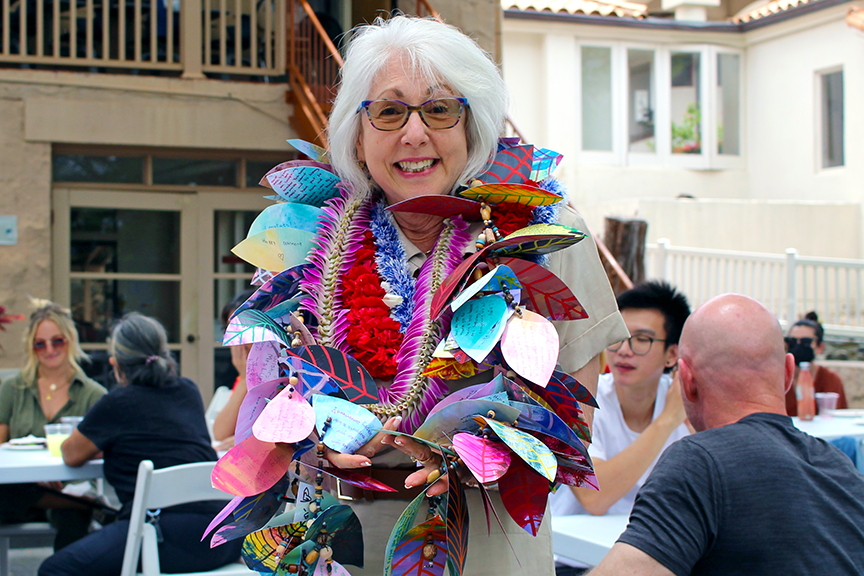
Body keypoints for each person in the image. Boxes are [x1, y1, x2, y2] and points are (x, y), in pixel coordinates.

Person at [235, 15, 628, 576]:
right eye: (389, 111)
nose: (414, 134)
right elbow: (265, 408)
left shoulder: (544, 233)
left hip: (481, 546)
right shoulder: (311, 238)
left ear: (474, 123)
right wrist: (302, 446)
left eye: (440, 109)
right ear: (358, 131)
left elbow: (573, 422)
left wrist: (461, 459)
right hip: (338, 546)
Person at [589, 294, 864, 576]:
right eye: (618, 338)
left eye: (642, 340)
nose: (624, 350)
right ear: (788, 374)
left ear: (685, 378)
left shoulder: (699, 463)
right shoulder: (842, 468)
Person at [39, 313, 243, 576]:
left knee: (55, 570)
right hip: (223, 536)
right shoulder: (188, 391)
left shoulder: (117, 403)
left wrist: (106, 441)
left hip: (160, 538)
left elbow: (70, 454)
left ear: (116, 364)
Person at [0, 300, 106, 551]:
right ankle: (88, 506)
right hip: (20, 491)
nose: (49, 349)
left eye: (57, 341)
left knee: (73, 519)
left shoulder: (93, 394)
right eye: (40, 344)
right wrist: (35, 478)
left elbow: (101, 452)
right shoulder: (13, 389)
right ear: (31, 347)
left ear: (70, 340)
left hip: (72, 486)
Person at [212, 289, 255, 446]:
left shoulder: (285, 375)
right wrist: (244, 379)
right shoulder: (244, 378)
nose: (238, 341)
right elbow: (221, 433)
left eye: (244, 329)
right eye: (231, 331)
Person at [784, 312, 847, 416]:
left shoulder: (830, 380)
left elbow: (839, 418)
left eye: (806, 342)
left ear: (820, 347)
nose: (798, 346)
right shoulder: (777, 380)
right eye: (792, 341)